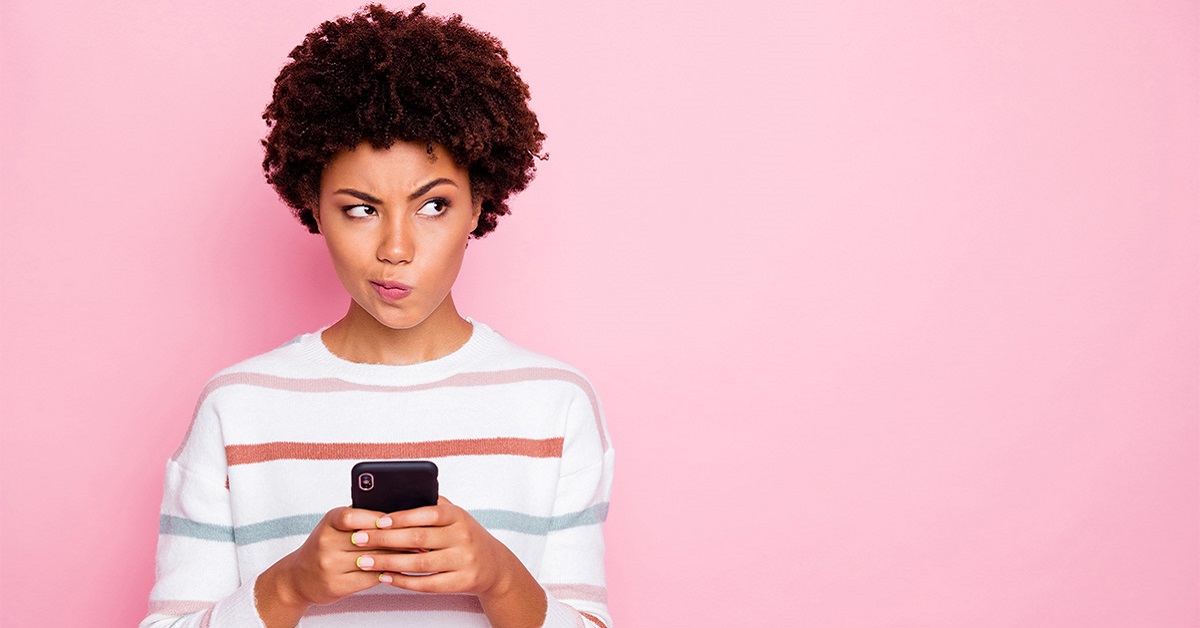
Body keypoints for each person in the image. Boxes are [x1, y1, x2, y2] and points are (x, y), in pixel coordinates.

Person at [141, 5, 613, 627]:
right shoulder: (238, 408)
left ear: (479, 203)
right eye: (360, 209)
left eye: (434, 205)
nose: (396, 248)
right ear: (312, 204)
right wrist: (288, 586)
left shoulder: (556, 404)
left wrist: (500, 577)